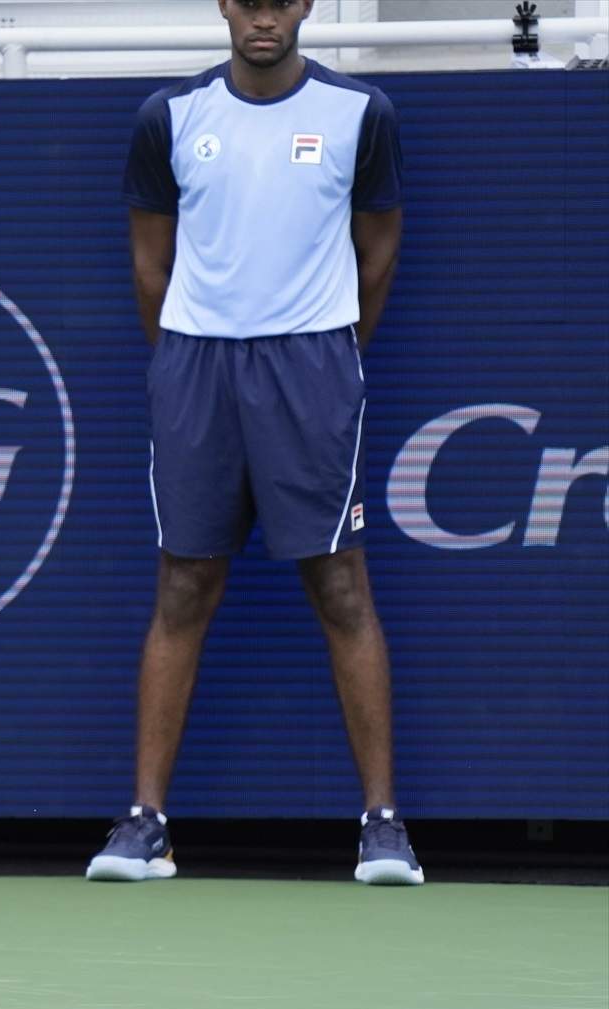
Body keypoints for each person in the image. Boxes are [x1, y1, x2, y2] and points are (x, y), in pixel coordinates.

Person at [92, 0, 420, 886]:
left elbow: (378, 251)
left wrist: (329, 352)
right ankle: (146, 826)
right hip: (196, 366)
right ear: (226, 6)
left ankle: (383, 827)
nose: (264, 13)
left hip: (313, 365)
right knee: (184, 581)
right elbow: (149, 263)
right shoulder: (171, 116)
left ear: (306, 5)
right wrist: (184, 360)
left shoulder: (361, 114)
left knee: (340, 580)